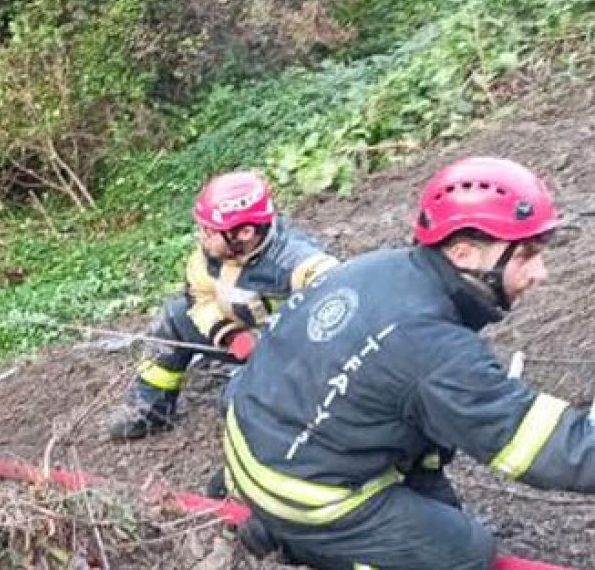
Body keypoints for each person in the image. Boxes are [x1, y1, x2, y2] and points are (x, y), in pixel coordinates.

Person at [221, 157, 595, 569]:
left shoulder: (382, 268)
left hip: (255, 441)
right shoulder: (431, 347)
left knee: (439, 511)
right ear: (466, 253)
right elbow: (542, 449)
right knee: (465, 552)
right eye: (525, 256)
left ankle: (282, 526)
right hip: (301, 490)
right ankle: (305, 542)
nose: (540, 273)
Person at [107, 171, 338, 440]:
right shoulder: (211, 256)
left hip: (296, 359)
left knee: (233, 404)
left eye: (209, 230)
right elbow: (200, 298)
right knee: (175, 317)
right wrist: (230, 334)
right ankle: (148, 411)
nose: (202, 237)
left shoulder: (304, 266)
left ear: (245, 232)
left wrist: (267, 346)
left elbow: (332, 328)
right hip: (246, 336)